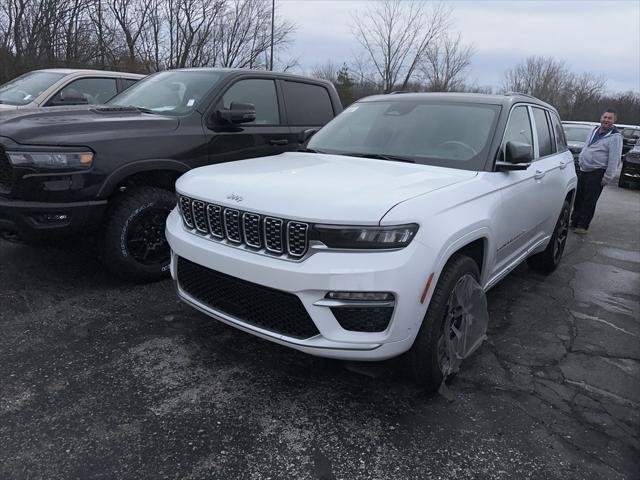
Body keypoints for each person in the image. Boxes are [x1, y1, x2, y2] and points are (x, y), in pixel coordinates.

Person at [570, 109, 623, 234]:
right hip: (584, 169)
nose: (606, 120)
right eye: (605, 117)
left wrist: (608, 177)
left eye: (610, 118)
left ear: (614, 121)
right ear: (601, 118)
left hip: (597, 172)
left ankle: (582, 225)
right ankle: (575, 220)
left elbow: (614, 158)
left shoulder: (615, 137)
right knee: (579, 197)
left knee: (589, 200)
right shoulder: (593, 131)